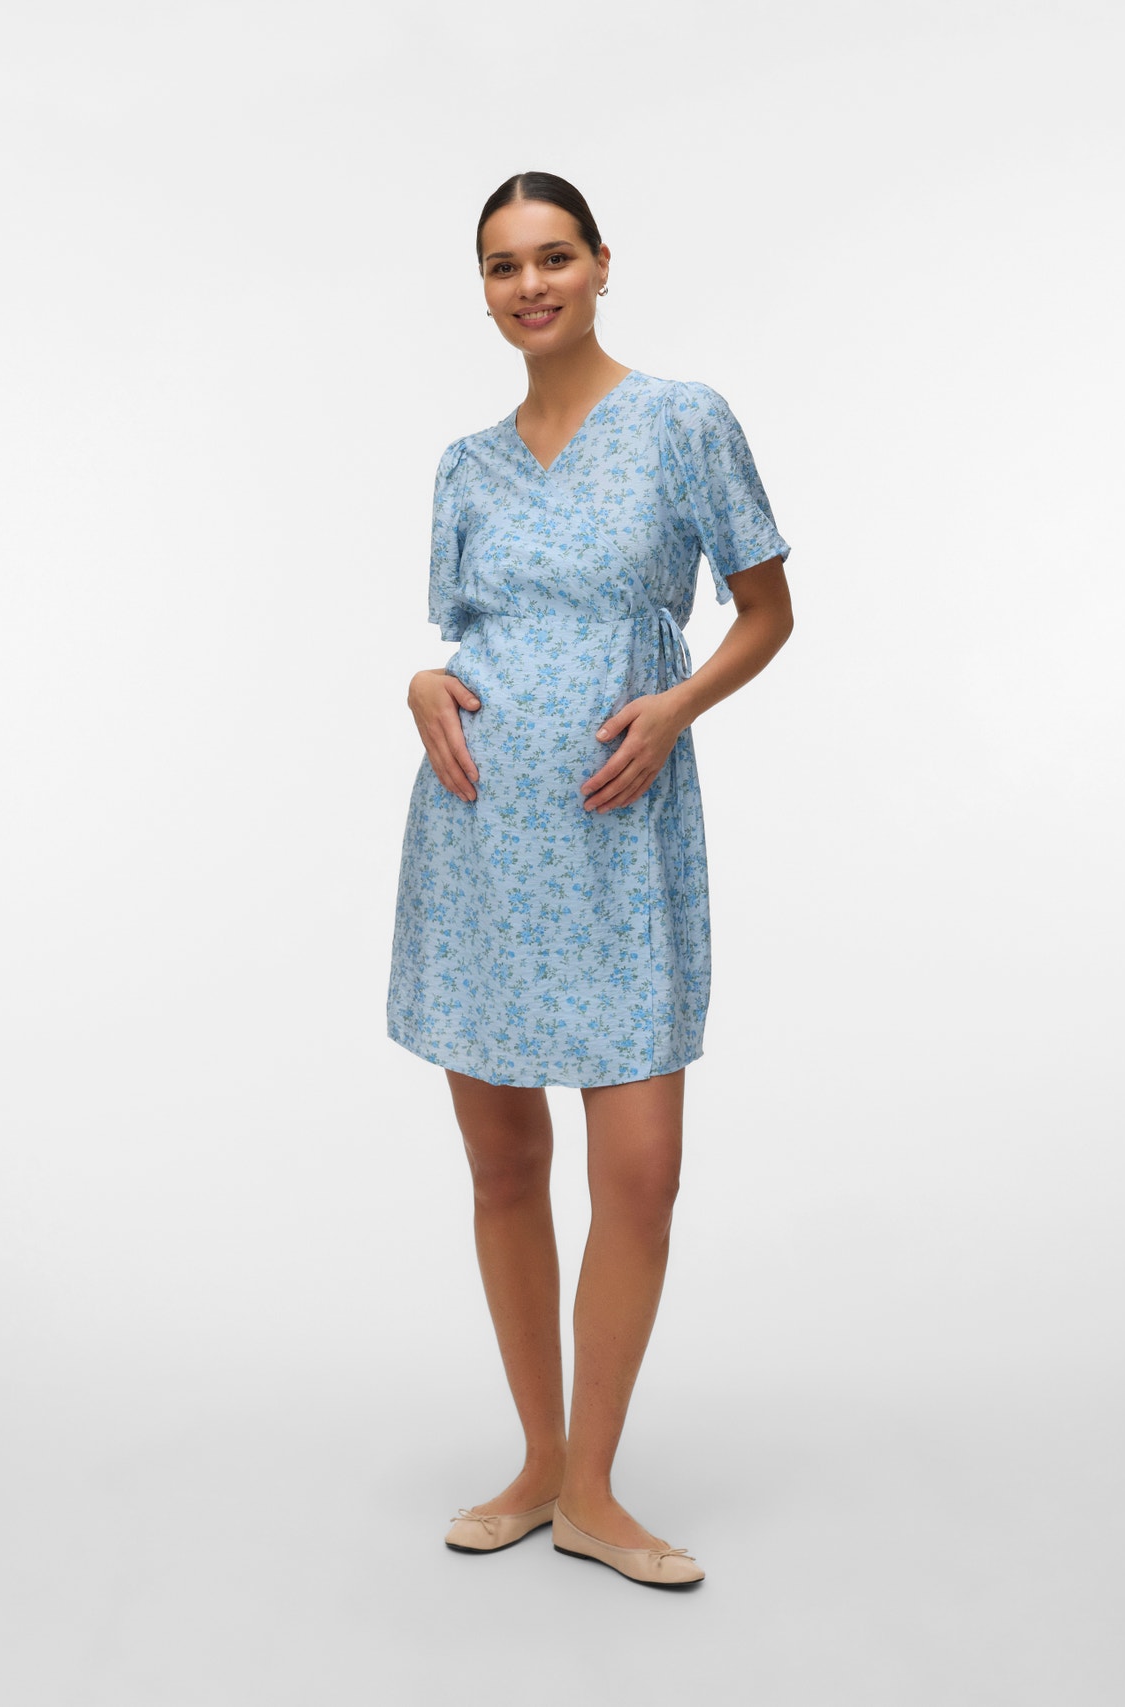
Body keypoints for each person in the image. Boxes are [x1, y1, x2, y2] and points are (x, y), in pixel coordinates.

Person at [386, 170, 795, 1588]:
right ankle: (542, 1466)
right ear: (483, 288)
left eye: (554, 257)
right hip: (481, 840)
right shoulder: (465, 464)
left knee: (640, 1175)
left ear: (603, 264)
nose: (531, 286)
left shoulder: (684, 421)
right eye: (504, 266)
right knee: (506, 1168)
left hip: (622, 835)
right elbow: (468, 639)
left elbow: (767, 612)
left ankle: (597, 1492)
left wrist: (675, 707)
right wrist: (424, 683)